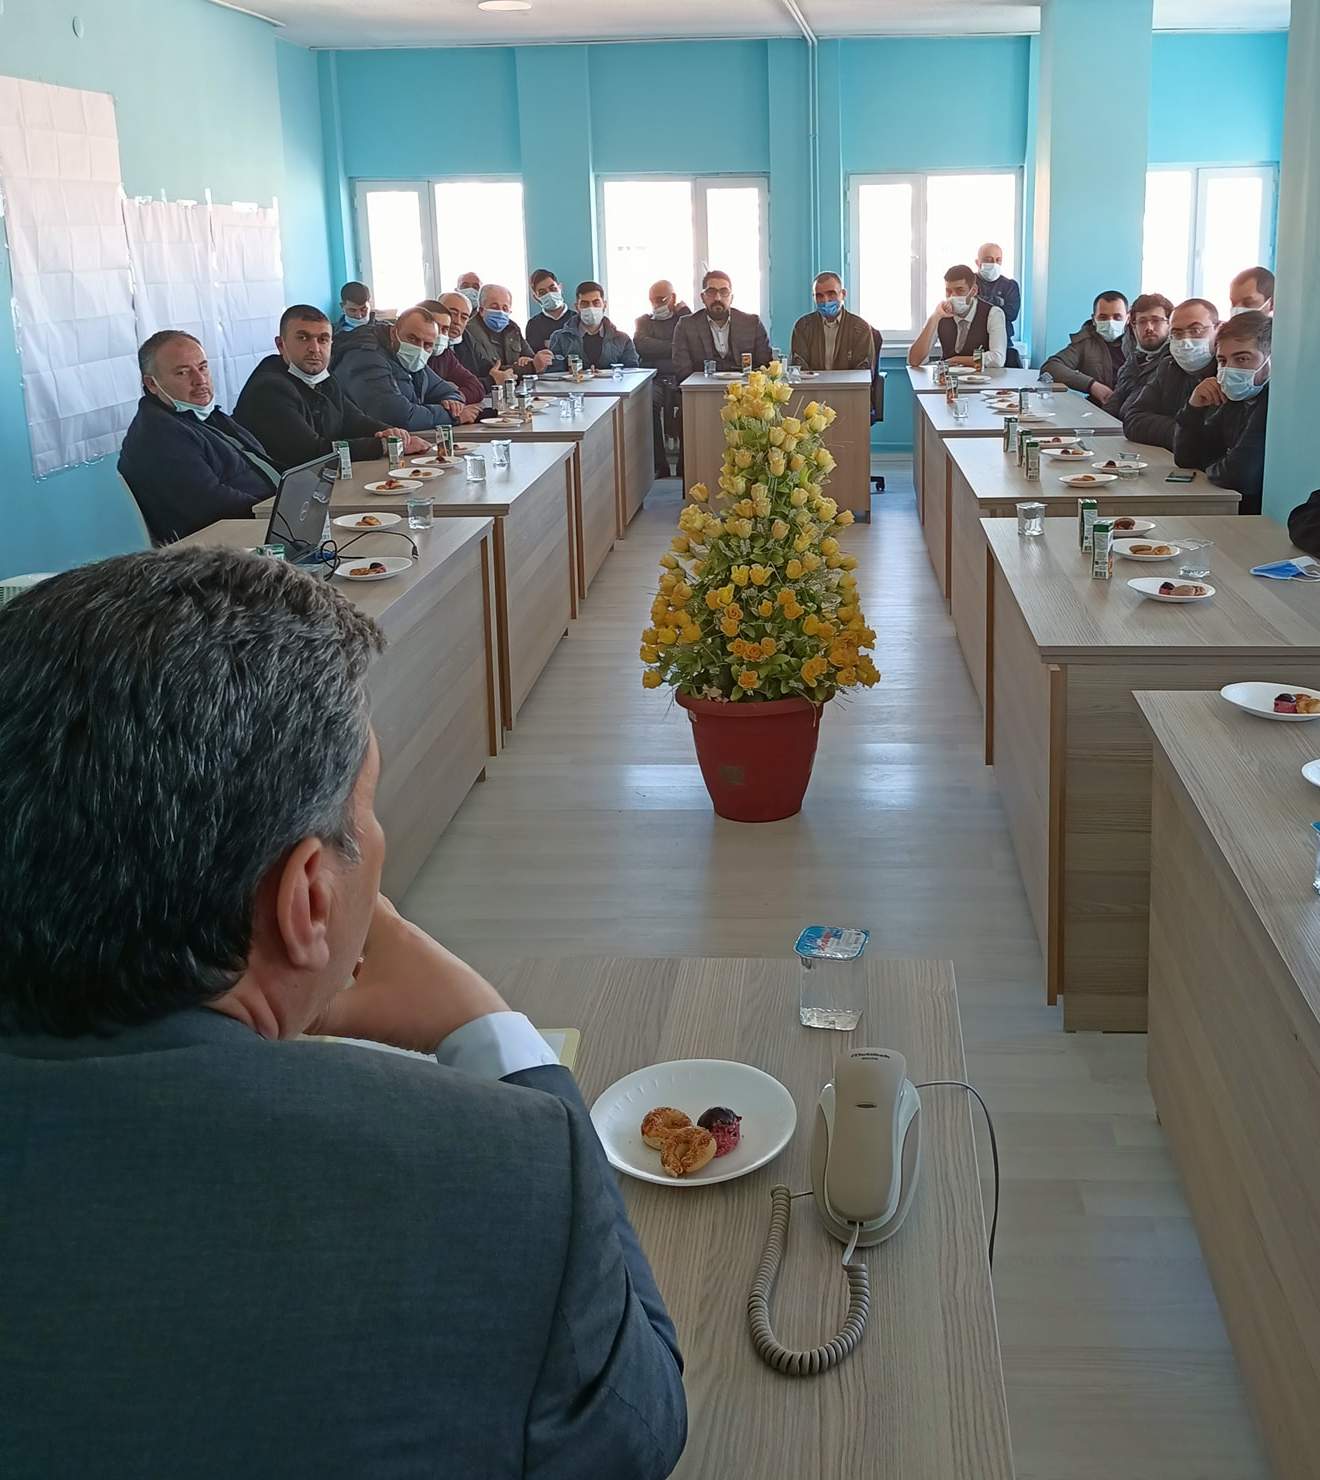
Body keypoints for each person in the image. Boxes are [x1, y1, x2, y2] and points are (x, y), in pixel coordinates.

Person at [0, 547, 688, 1480]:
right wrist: (487, 1029)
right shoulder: (494, 1170)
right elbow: (637, 1430)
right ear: (309, 899)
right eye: (365, 807)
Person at [119, 330, 278, 545]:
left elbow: (263, 463)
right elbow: (214, 505)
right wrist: (279, 513)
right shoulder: (158, 435)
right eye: (183, 373)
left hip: (264, 522)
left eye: (202, 367)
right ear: (152, 384)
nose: (200, 380)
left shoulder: (203, 415)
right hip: (224, 545)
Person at [234, 305, 429, 471]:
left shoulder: (324, 379)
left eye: (323, 339)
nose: (315, 349)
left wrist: (391, 433)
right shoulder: (269, 389)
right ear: (281, 344)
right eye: (303, 338)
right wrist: (383, 446)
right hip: (274, 495)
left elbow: (353, 420)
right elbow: (312, 453)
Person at [1173, 309, 1270, 514]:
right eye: (1222, 361)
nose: (1228, 369)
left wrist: (1210, 467)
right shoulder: (1235, 400)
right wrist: (1193, 407)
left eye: (1242, 359)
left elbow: (1237, 475)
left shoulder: (1272, 405)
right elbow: (1187, 458)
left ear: (1270, 360)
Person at [331, 305, 464, 434]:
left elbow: (448, 390)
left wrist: (453, 403)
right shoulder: (364, 357)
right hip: (364, 444)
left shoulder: (413, 359)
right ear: (394, 333)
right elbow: (398, 417)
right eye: (412, 338)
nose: (419, 348)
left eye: (428, 344)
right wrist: (452, 416)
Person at [1121, 297, 1220, 450]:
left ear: (1219, 329)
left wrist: (1183, 432)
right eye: (1177, 333)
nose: (1186, 340)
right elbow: (1133, 419)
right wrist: (1183, 431)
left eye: (1195, 330)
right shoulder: (1168, 367)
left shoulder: (1229, 374)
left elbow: (1213, 440)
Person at [671, 269, 772, 381]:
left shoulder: (752, 324)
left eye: (724, 292)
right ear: (703, 297)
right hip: (702, 388)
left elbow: (765, 365)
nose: (717, 298)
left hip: (745, 388)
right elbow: (682, 371)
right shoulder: (686, 326)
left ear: (731, 298)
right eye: (711, 292)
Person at [634, 280, 690, 480]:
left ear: (673, 298)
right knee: (647, 404)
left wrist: (684, 313)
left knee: (690, 405)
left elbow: (692, 343)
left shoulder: (684, 320)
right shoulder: (643, 321)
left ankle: (686, 464)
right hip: (655, 378)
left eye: (661, 300)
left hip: (682, 378)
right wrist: (675, 346)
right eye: (652, 300)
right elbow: (642, 346)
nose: (656, 304)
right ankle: (659, 464)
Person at [905, 265, 1006, 370]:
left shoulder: (993, 313)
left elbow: (998, 359)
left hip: (983, 378)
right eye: (948, 291)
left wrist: (956, 360)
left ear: (973, 291)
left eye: (960, 290)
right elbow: (914, 360)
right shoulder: (940, 314)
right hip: (948, 378)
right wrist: (934, 318)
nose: (953, 296)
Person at [1040, 291, 1131, 406]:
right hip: (1101, 408)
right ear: (1094, 319)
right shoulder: (1085, 342)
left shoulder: (1139, 341)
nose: (1110, 323)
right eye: (1103, 318)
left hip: (1135, 408)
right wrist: (1091, 385)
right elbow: (1050, 367)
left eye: (1117, 317)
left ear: (1128, 318)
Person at [465, 284, 553, 387]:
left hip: (516, 389)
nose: (500, 312)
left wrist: (532, 362)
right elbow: (491, 372)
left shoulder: (512, 328)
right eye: (494, 307)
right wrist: (530, 367)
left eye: (505, 308)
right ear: (481, 310)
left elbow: (531, 358)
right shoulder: (470, 331)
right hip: (488, 392)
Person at [789, 272, 876, 372]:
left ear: (843, 294)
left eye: (831, 293)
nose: (825, 300)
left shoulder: (860, 328)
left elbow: (863, 370)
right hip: (812, 382)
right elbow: (799, 366)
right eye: (819, 295)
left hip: (849, 382)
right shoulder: (803, 326)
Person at [1108, 293, 1173, 420]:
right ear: (1133, 326)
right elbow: (1114, 403)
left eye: (1156, 320)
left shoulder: (1174, 362)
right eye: (1142, 322)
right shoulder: (1132, 362)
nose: (1149, 328)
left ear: (1169, 323)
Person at [547, 282, 640, 372]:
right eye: (584, 303)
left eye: (596, 303)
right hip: (575, 383)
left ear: (605, 305)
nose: (591, 307)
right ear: (577, 307)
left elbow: (632, 371)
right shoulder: (559, 338)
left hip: (612, 383)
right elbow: (554, 371)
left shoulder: (622, 339)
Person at [416, 299, 484, 422]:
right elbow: (410, 409)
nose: (440, 335)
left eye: (445, 329)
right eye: (436, 327)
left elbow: (476, 386)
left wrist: (454, 400)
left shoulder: (444, 353)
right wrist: (446, 408)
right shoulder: (410, 357)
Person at [973, 244, 1022, 367]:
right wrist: (998, 302)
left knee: (1004, 375)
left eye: (998, 260)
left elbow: (1011, 314)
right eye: (988, 260)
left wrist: (982, 302)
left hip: (1004, 345)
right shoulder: (969, 283)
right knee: (974, 375)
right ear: (978, 262)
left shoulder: (1010, 285)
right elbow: (968, 310)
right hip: (974, 346)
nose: (994, 263)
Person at [525, 269, 578, 354]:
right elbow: (533, 356)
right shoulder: (533, 325)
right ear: (536, 298)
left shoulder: (577, 319)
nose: (549, 294)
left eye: (553, 288)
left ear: (560, 288)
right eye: (542, 292)